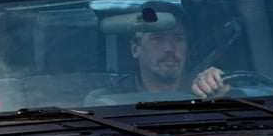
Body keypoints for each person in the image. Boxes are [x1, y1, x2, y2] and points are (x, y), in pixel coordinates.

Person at [89, 13, 229, 100]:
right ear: (135, 49)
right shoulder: (110, 98)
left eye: (178, 38)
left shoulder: (204, 87)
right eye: (157, 39)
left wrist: (218, 88)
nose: (169, 48)